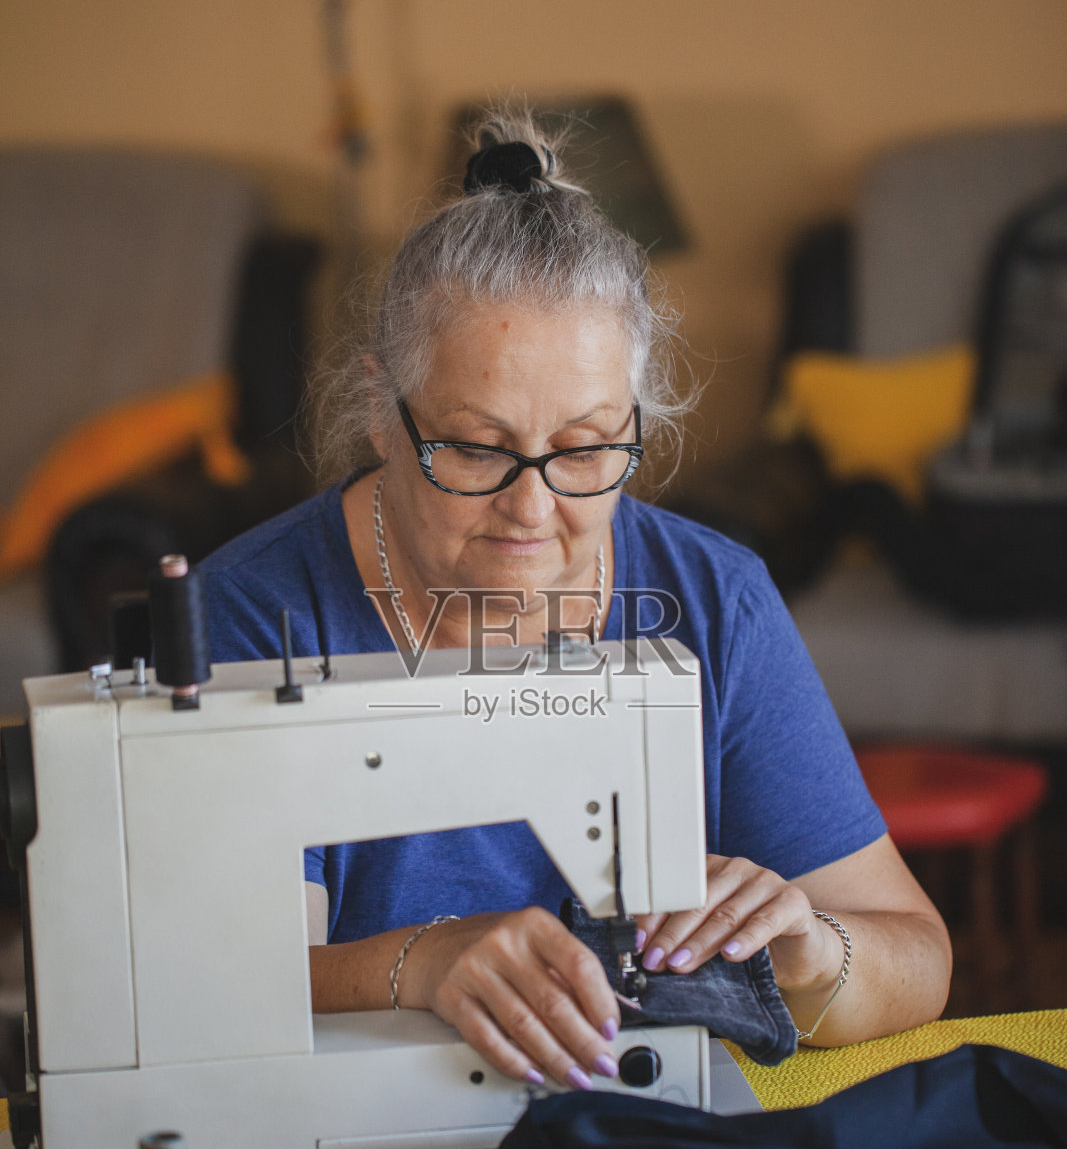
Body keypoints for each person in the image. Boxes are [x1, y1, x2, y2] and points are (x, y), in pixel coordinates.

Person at [201, 109, 951, 1093]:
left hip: (642, 1148)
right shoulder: (254, 617)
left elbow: (917, 962)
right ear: (382, 416)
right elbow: (210, 995)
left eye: (587, 448)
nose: (531, 507)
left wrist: (813, 952)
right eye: (475, 446)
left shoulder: (709, 601)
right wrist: (417, 961)